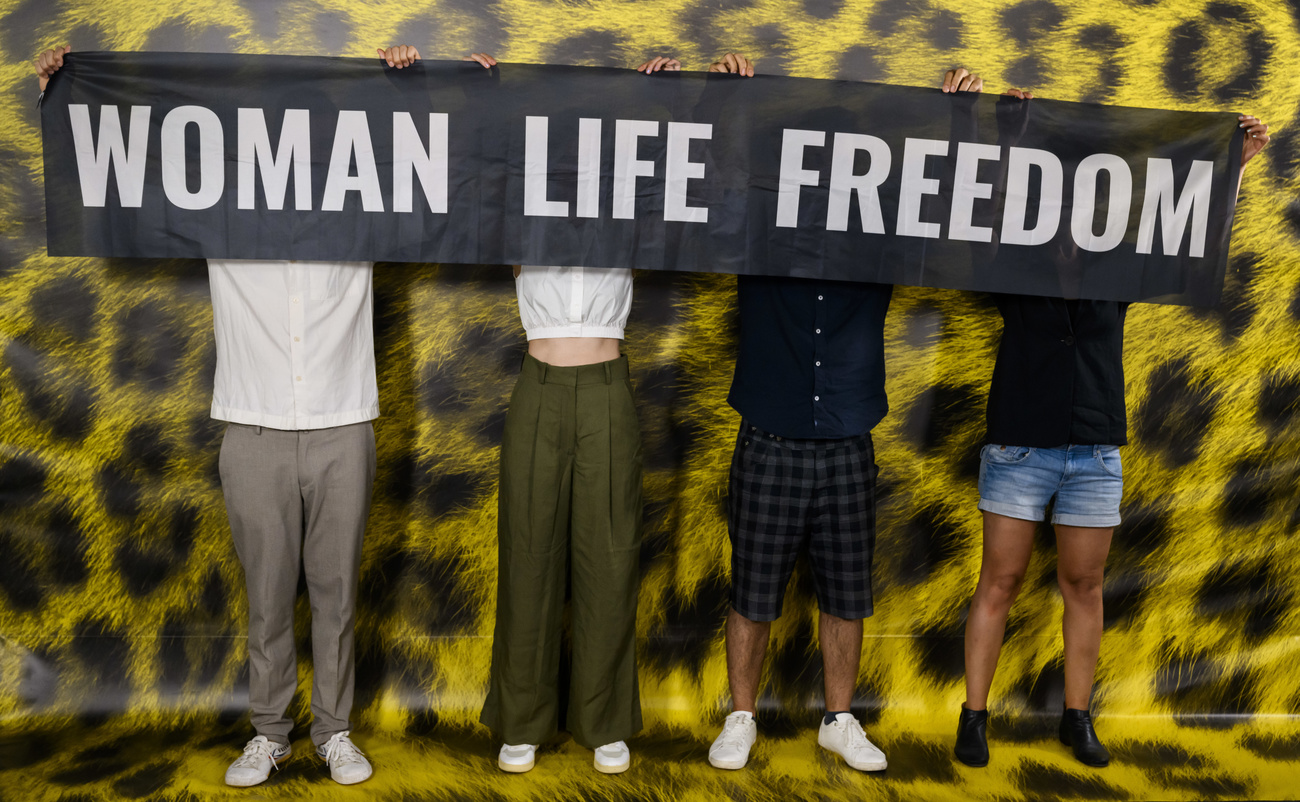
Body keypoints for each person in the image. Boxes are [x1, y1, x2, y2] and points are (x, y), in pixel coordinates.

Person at [36, 45, 389, 787]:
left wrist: (434, 86)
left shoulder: (367, 203)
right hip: (251, 428)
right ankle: (270, 732)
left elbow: (460, 167)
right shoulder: (216, 205)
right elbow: (125, 166)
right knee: (266, 600)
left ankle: (335, 732)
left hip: (341, 425)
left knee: (336, 597)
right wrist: (66, 94)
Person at [373, 44, 676, 775]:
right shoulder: (516, 210)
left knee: (609, 557)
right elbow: (459, 176)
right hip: (537, 388)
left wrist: (672, 101)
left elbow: (693, 181)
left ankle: (605, 719)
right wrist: (465, 93)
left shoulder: (628, 201)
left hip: (608, 390)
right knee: (529, 556)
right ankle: (522, 715)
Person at [954, 88, 1271, 768]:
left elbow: (1194, 250)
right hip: (1018, 443)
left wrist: (1233, 166)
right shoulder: (1012, 259)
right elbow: (969, 216)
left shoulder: (1118, 262)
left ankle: (1076, 717)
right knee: (999, 581)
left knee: (1084, 586)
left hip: (1094, 451)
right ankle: (973, 718)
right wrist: (994, 129)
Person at [705, 53, 985, 773]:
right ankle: (742, 715)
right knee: (753, 589)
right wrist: (719, 96)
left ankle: (838, 718)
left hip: (849, 439)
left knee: (848, 593)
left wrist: (961, 117)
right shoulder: (754, 231)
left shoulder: (886, 237)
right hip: (767, 434)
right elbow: (708, 177)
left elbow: (955, 204)